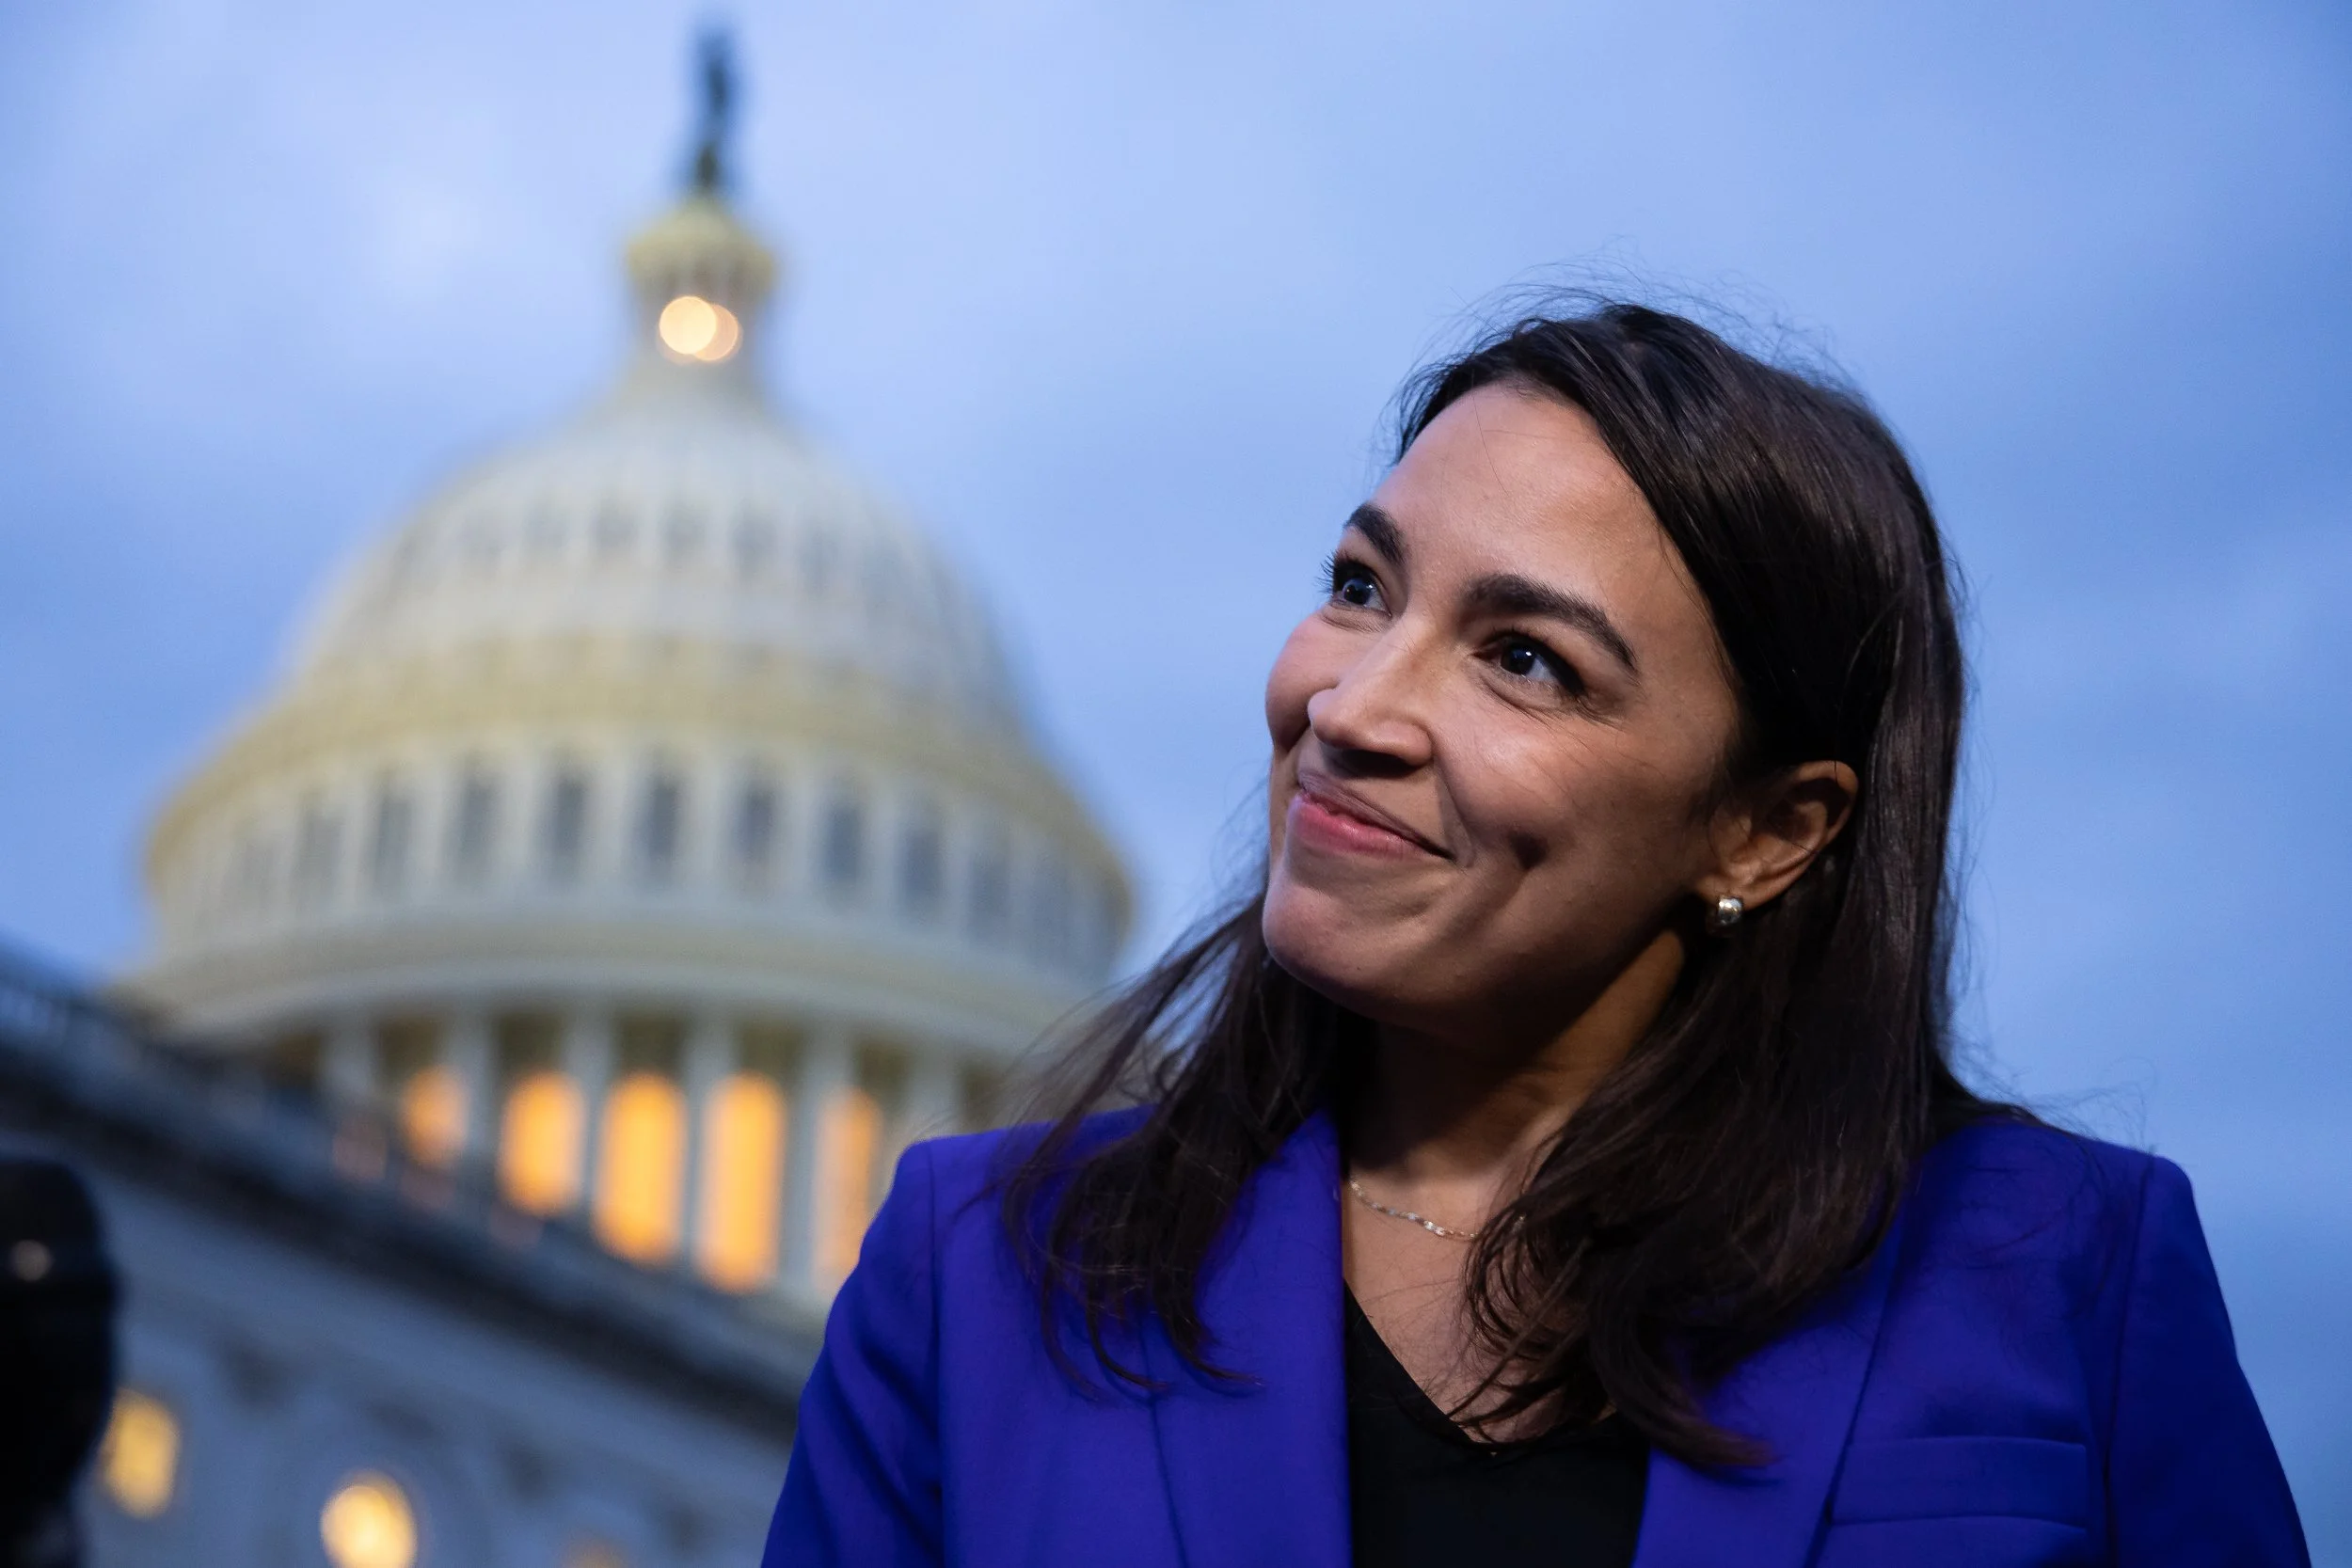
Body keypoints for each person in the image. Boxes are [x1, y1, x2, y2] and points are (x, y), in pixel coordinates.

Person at [762, 304, 2309, 1567]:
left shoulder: (2065, 1269)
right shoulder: (983, 1272)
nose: (1349, 708)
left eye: (1524, 659)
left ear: (1768, 831)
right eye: (1361, 586)